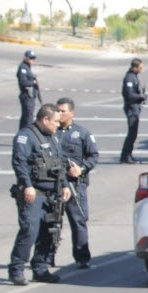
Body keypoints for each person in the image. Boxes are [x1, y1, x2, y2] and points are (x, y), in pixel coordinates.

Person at [8, 104, 71, 285]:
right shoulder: (26, 136)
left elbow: (59, 163)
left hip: (53, 194)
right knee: (29, 231)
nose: (58, 125)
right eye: (56, 122)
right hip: (34, 193)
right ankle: (17, 269)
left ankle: (40, 268)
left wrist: (65, 185)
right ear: (45, 119)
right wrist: (27, 185)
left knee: (49, 233)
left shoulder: (52, 137)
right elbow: (19, 163)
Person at [54, 98, 98, 269]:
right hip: (55, 183)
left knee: (78, 220)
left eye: (63, 111)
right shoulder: (51, 132)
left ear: (71, 113)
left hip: (74, 184)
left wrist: (82, 168)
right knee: (51, 221)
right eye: (58, 110)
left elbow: (93, 156)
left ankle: (82, 257)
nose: (59, 114)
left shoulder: (82, 133)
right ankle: (46, 257)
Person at [119, 58, 147, 163]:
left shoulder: (134, 76)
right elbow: (129, 94)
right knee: (132, 133)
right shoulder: (129, 78)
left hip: (135, 106)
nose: (141, 70)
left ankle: (128, 155)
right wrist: (140, 97)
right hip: (131, 107)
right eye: (140, 68)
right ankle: (125, 156)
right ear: (134, 67)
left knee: (133, 133)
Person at [16, 50, 41, 129]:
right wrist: (33, 82)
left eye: (33, 58)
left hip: (30, 95)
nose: (32, 60)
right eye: (30, 58)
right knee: (28, 117)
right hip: (27, 95)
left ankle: (23, 131)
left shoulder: (27, 67)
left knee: (26, 116)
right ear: (25, 57)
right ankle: (26, 132)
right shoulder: (23, 68)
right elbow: (23, 82)